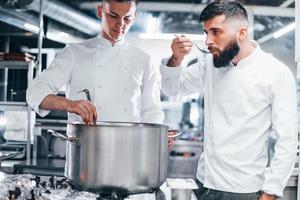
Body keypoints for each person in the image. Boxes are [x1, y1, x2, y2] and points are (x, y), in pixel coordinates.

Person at [160, 1, 297, 200]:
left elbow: (287, 140)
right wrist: (176, 59)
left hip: (243, 190)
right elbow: (172, 89)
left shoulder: (276, 73)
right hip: (204, 183)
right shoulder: (209, 64)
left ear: (241, 33)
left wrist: (270, 192)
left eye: (216, 32)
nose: (208, 40)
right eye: (206, 32)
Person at [26, 0, 164, 125]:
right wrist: (68, 104)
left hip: (129, 147)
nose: (120, 24)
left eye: (127, 18)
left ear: (134, 18)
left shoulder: (144, 60)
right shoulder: (74, 53)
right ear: (100, 11)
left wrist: (158, 136)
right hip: (86, 146)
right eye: (113, 15)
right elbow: (34, 93)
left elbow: (152, 113)